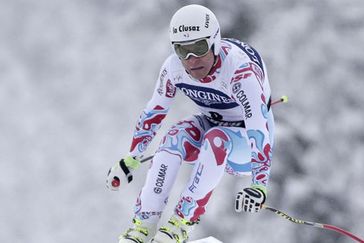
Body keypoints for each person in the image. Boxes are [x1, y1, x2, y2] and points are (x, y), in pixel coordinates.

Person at [107, 4, 275, 243]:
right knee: (175, 136)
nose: (191, 59)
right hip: (211, 125)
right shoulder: (174, 69)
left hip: (244, 144)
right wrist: (131, 158)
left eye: (199, 47)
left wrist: (259, 185)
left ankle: (181, 224)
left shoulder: (240, 72)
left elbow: (258, 128)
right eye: (182, 50)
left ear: (215, 42)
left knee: (216, 138)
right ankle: (143, 226)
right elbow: (154, 112)